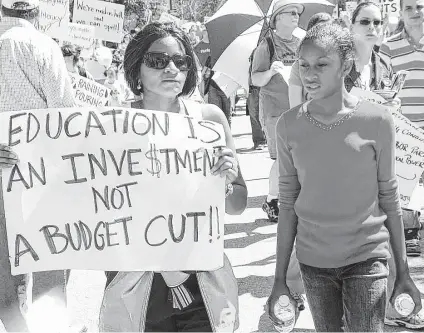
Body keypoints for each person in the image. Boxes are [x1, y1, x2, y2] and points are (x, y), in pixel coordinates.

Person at [268, 22, 422, 332]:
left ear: (346, 64)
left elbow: (389, 198)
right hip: (314, 262)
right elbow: (288, 205)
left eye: (322, 64)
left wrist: (403, 272)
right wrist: (280, 278)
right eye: (304, 64)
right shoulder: (288, 125)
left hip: (368, 256)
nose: (310, 74)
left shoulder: (377, 120)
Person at [98, 22, 248, 332]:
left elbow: (237, 205)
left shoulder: (209, 120)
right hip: (137, 283)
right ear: (136, 68)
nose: (171, 68)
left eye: (180, 61)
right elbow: (77, 191)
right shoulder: (112, 124)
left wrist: (228, 178)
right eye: (157, 60)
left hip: (202, 281)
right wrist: (17, 162)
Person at [0, 0, 76, 331]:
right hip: (41, 176)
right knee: (47, 266)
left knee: (5, 273)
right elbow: (65, 114)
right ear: (36, 13)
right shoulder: (44, 46)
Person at [251, 0, 303, 223]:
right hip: (274, 111)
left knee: (297, 156)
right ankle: (272, 200)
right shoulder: (267, 45)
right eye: (290, 12)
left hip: (298, 108)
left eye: (297, 13)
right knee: (282, 158)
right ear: (277, 18)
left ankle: (293, 198)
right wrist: (271, 72)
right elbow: (255, 79)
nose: (296, 16)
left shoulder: (301, 43)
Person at [380, 0, 424, 260]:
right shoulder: (389, 47)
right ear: (401, 12)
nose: (416, 12)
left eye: (420, 6)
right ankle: (410, 234)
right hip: (404, 129)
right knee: (406, 184)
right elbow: (383, 84)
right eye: (410, 8)